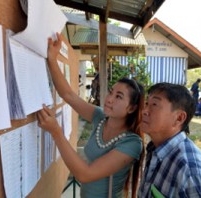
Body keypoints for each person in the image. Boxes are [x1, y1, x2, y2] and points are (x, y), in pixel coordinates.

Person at [37, 33, 145, 198]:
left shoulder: (131, 143)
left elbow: (85, 174)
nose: (109, 99)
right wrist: (52, 59)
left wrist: (56, 132)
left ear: (131, 108)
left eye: (119, 97)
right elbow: (69, 95)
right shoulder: (101, 117)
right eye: (111, 92)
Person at [138, 82, 201, 198]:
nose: (144, 111)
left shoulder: (192, 172)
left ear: (179, 118)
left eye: (154, 105)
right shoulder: (155, 149)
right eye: (147, 103)